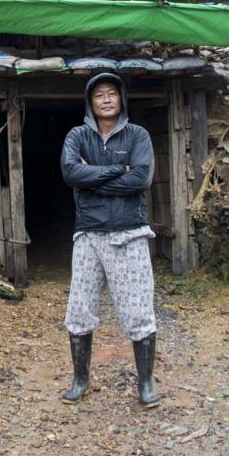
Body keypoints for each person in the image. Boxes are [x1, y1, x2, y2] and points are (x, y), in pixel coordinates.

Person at [59, 73, 159, 408]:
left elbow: (141, 178)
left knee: (137, 308)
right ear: (90, 102)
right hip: (89, 233)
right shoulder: (77, 135)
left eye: (111, 94)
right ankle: (80, 379)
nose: (105, 99)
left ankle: (146, 384)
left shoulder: (137, 135)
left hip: (129, 231)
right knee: (80, 307)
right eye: (99, 94)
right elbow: (70, 173)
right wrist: (118, 170)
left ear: (121, 99)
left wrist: (94, 178)